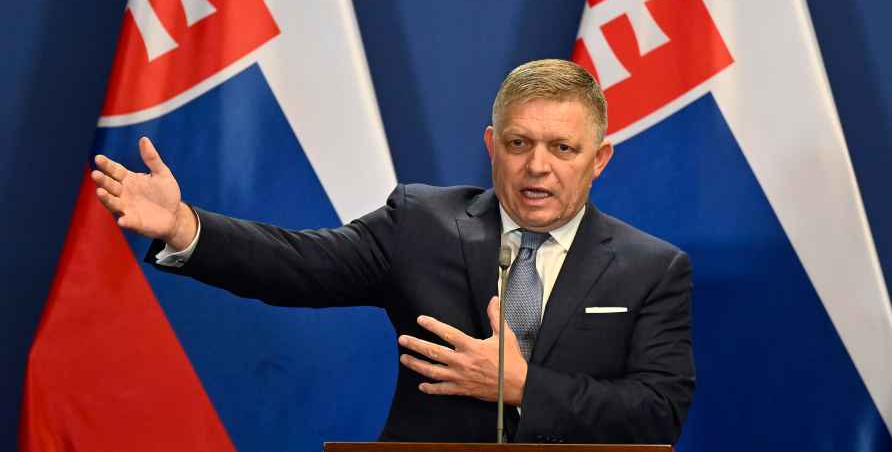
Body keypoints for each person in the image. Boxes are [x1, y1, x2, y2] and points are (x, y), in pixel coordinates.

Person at [91, 59, 694, 444]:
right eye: (519, 142)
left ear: (598, 159)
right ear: (492, 145)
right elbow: (297, 266)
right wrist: (183, 225)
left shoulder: (650, 268)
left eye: (563, 148)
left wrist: (522, 387)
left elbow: (656, 410)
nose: (538, 166)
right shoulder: (424, 223)